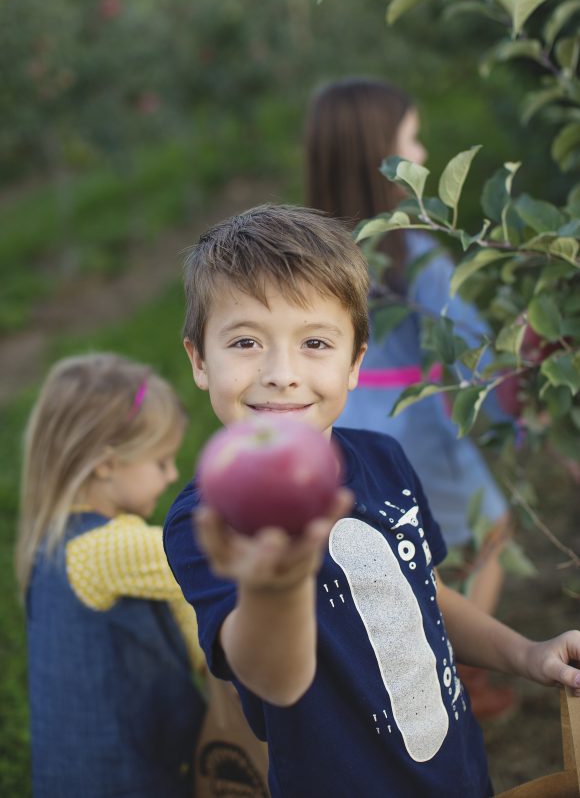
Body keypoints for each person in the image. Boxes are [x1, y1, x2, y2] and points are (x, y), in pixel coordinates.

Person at [163, 204, 580, 798]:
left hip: (457, 774)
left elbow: (425, 595)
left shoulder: (382, 459)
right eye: (247, 341)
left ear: (355, 362)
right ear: (201, 360)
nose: (282, 373)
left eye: (314, 342)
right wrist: (274, 589)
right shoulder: (211, 519)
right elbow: (273, 683)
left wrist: (526, 654)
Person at [306, 77, 515, 718]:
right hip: (419, 433)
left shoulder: (317, 257)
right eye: (411, 140)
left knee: (394, 556)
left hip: (346, 431)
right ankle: (457, 668)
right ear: (382, 157)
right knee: (489, 534)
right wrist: (508, 415)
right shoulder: (413, 256)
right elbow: (472, 348)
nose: (422, 152)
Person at [15, 352, 206, 798]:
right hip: (127, 780)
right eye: (161, 462)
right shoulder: (104, 550)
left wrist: (200, 652)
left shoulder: (58, 536)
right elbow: (206, 562)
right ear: (105, 464)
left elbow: (177, 587)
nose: (173, 474)